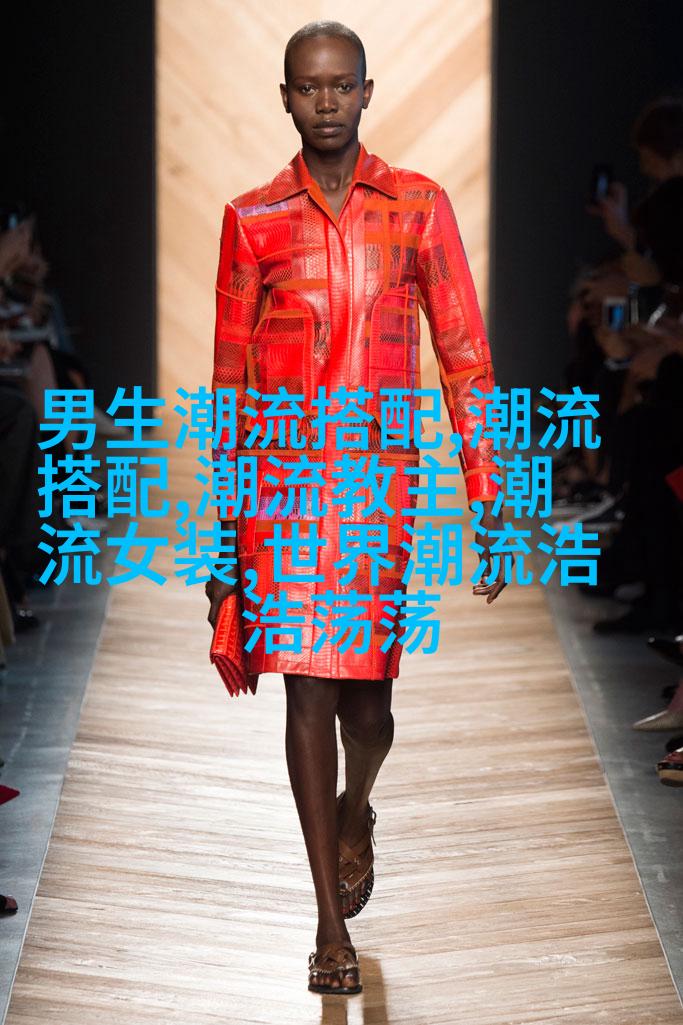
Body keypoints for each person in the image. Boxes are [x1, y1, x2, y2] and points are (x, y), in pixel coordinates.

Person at [204, 20, 508, 995]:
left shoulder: (417, 206)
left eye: (341, 85)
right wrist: (221, 534)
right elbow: (227, 384)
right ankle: (326, 927)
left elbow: (463, 355)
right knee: (307, 692)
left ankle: (354, 806)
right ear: (284, 97)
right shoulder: (251, 218)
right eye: (308, 86)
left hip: (378, 488)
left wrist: (488, 493)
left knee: (368, 708)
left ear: (367, 92)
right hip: (282, 489)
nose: (325, 101)